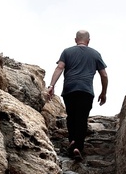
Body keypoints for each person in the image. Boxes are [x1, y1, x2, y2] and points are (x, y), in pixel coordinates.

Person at [45, 30, 107, 161]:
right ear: (88, 41)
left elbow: (59, 68)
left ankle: (72, 141)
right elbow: (104, 75)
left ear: (75, 40)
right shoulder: (95, 54)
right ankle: (78, 146)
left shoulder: (67, 51)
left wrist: (51, 85)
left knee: (71, 117)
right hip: (86, 91)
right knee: (82, 118)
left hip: (70, 89)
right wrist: (103, 92)